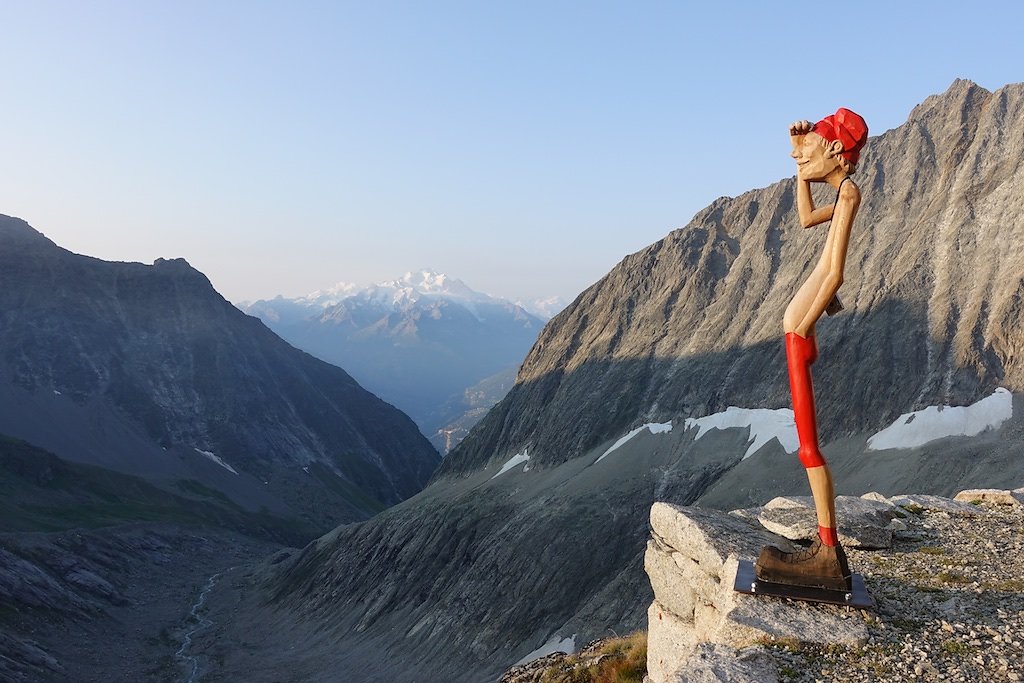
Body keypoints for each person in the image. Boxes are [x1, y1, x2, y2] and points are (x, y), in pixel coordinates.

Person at [754, 108, 869, 591]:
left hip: (802, 325)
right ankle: (826, 547)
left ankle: (827, 552)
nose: (800, 155)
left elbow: (837, 271)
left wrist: (808, 317)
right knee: (807, 445)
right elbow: (804, 219)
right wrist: (800, 165)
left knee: (808, 447)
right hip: (802, 322)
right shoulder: (841, 192)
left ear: (837, 150)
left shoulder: (849, 193)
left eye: (814, 147)